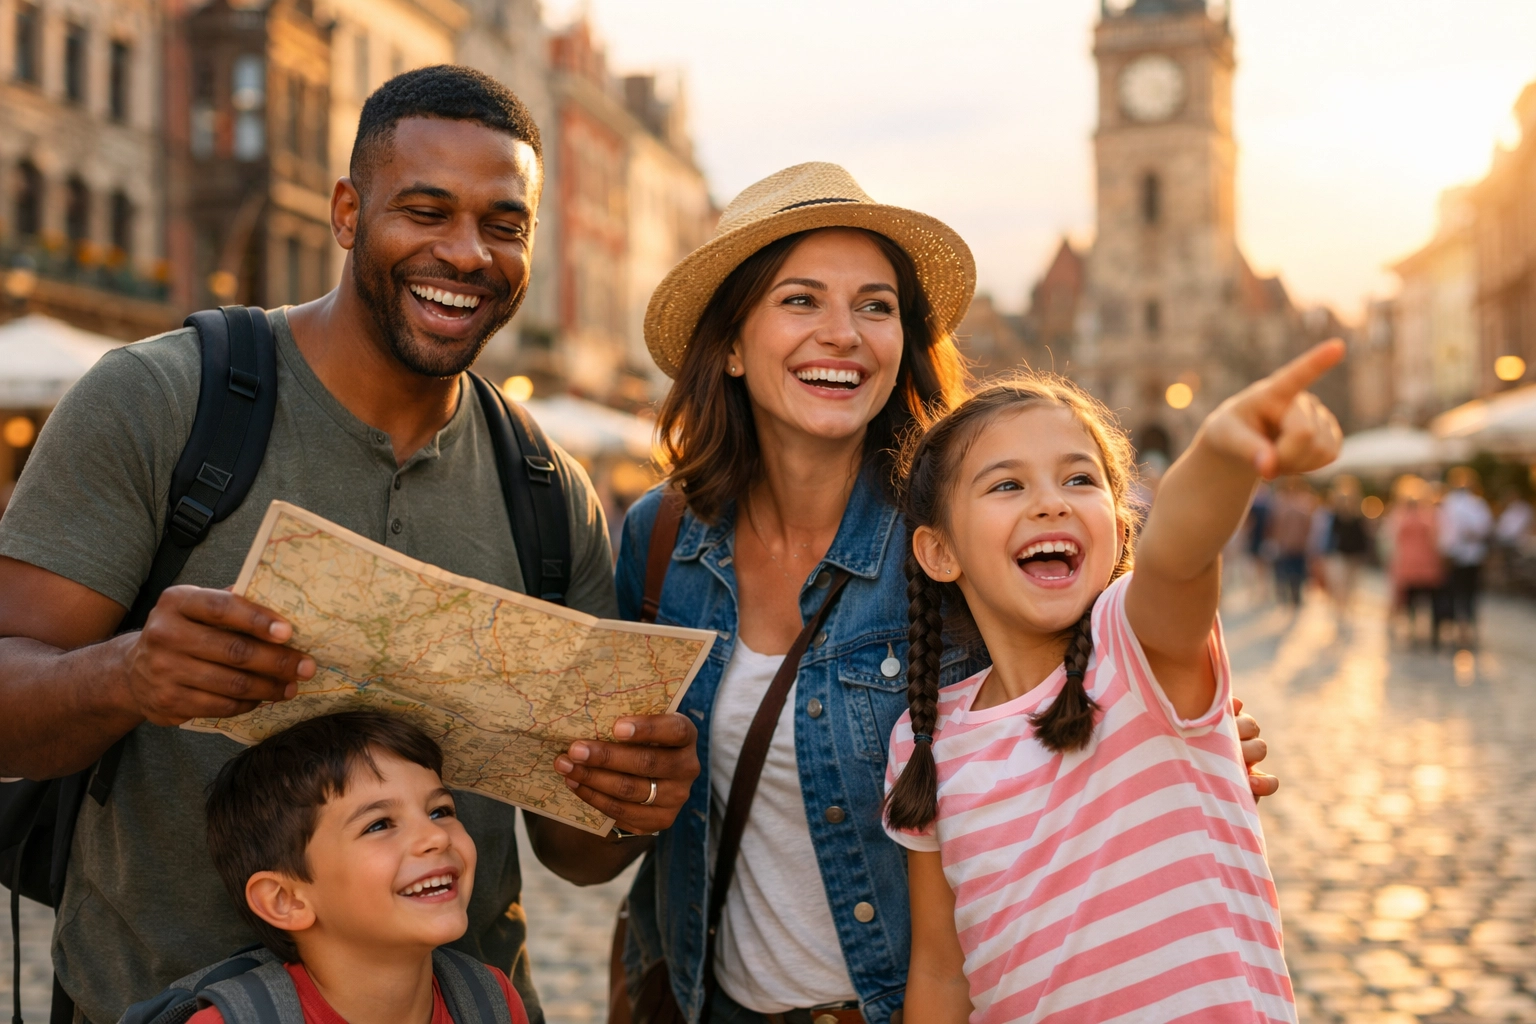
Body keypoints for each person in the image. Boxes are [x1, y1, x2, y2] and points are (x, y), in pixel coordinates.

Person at [0, 67, 696, 1024]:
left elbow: (575, 855)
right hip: (154, 1002)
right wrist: (128, 676)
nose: (468, 253)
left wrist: (629, 799)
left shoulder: (547, 491)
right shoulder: (159, 402)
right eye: (425, 211)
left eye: (505, 224)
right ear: (345, 212)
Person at [610, 162, 1277, 1024]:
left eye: (876, 305)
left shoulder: (963, 536)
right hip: (716, 1001)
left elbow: (1126, 638)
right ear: (731, 343)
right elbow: (616, 816)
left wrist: (1184, 738)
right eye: (801, 300)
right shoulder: (662, 539)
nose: (843, 333)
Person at [888, 341, 1344, 1022]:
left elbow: (1180, 557)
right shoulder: (923, 736)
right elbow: (940, 970)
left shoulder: (1132, 653)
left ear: (1119, 518)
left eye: (1079, 480)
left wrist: (1222, 450)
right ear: (939, 550)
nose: (1051, 504)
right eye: (1007, 485)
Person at [189, 710, 529, 1024]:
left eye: (440, 811)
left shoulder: (492, 1001)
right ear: (285, 900)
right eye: (379, 825)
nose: (435, 836)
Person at [1438, 466, 1494, 647]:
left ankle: (1461, 629)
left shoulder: (1454, 503)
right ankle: (1465, 629)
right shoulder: (1474, 504)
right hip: (1466, 556)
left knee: (1459, 593)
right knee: (1467, 594)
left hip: (1460, 556)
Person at [1386, 476, 1444, 645]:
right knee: (1427, 601)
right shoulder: (1429, 517)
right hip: (1426, 565)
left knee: (1411, 602)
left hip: (1408, 565)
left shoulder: (1400, 517)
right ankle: (1431, 634)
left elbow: (1392, 540)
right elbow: (1436, 540)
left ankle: (1412, 631)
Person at [1268, 476, 1314, 607]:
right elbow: (1275, 524)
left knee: (1295, 571)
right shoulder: (1282, 502)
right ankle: (1289, 594)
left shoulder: (1299, 502)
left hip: (1296, 544)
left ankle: (1293, 595)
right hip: (1288, 544)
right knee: (1287, 570)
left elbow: (1307, 525)